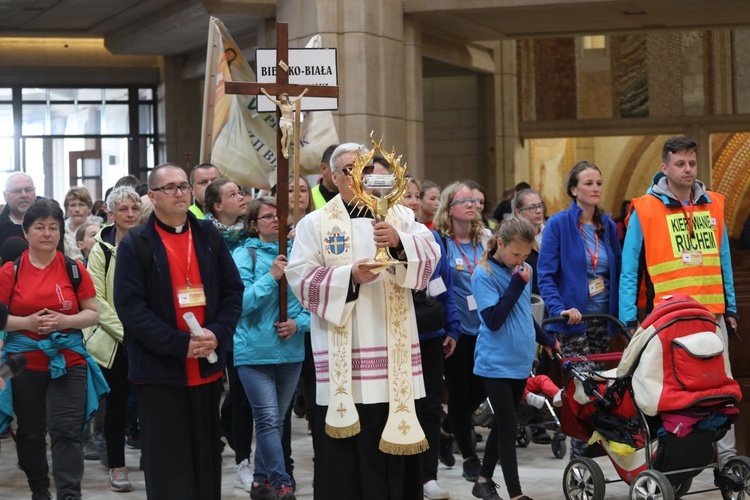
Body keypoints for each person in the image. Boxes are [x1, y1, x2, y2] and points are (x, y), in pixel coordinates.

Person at [286, 142, 440, 499]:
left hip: (397, 361)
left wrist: (401, 243)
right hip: (345, 365)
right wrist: (349, 277)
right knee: (347, 463)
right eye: (353, 169)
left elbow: (431, 261)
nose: (363, 176)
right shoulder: (315, 224)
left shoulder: (401, 217)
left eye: (369, 169)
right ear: (335, 177)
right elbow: (300, 279)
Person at [113, 163, 243, 499]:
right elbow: (131, 309)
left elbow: (232, 291)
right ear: (152, 196)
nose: (180, 193)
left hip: (207, 368)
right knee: (168, 464)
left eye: (184, 186)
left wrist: (218, 333)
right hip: (161, 372)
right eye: (170, 188)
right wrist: (179, 344)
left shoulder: (207, 234)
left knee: (206, 460)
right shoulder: (137, 243)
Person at [619, 136, 738, 466]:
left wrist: (731, 308)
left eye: (692, 163)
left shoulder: (713, 203)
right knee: (674, 391)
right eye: (680, 163)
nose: (688, 169)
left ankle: (727, 461)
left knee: (721, 389)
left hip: (711, 316)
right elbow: (629, 268)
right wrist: (629, 319)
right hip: (669, 318)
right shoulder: (645, 207)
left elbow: (722, 258)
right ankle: (673, 457)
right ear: (665, 167)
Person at [0, 198, 108, 500]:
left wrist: (64, 320)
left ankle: (70, 494)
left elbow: (92, 313)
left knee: (66, 431)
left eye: (53, 227)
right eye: (39, 227)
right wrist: (28, 322)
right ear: (26, 232)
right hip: (22, 364)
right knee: (31, 432)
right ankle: (39, 490)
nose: (47, 233)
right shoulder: (11, 271)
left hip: (68, 360)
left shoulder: (74, 269)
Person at [537, 160, 621, 460]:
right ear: (574, 190)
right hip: (573, 322)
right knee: (584, 390)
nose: (595, 188)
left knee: (601, 390)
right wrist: (560, 309)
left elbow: (617, 272)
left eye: (598, 183)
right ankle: (579, 458)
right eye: (588, 183)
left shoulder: (607, 227)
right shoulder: (559, 224)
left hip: (602, 320)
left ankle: (592, 448)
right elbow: (545, 274)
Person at [471, 217, 559, 500]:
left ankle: (482, 481)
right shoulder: (482, 274)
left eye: (525, 255)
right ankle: (516, 494)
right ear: (500, 243)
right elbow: (494, 320)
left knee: (503, 424)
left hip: (520, 360)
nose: (519, 260)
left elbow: (524, 314)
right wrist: (516, 285)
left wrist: (547, 340)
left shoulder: (524, 269)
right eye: (515, 254)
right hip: (494, 363)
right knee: (509, 426)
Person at [233, 196, 310, 500]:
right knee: (266, 419)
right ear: (253, 225)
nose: (275, 221)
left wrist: (297, 324)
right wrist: (271, 277)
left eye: (278, 216)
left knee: (277, 420)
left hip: (290, 350)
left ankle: (260, 481)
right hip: (254, 351)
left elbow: (310, 301)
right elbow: (240, 304)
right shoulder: (244, 256)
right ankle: (282, 482)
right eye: (266, 217)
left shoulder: (299, 255)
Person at [402, 176, 460, 500]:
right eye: (407, 196)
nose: (412, 201)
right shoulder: (387, 238)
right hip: (399, 337)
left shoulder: (432, 237)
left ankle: (428, 476)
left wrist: (452, 328)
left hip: (431, 335)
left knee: (429, 407)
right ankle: (404, 473)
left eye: (415, 196)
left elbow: (445, 287)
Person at [83, 186, 142, 492]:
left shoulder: (150, 241)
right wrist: (126, 332)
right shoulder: (101, 248)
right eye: (123, 210)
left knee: (151, 405)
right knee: (117, 407)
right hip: (116, 340)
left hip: (149, 338)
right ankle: (117, 466)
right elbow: (95, 297)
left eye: (134, 208)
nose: (130, 214)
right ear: (111, 213)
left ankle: (156, 460)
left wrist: (148, 331)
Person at [434, 181, 492, 481]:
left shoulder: (486, 239)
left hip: (487, 327)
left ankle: (446, 430)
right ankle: (470, 457)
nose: (471, 205)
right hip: (458, 328)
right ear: (449, 208)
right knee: (458, 392)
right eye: (463, 201)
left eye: (473, 200)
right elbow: (438, 287)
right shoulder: (441, 242)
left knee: (481, 388)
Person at [203, 178, 254, 492]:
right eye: (233, 194)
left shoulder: (250, 235)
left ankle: (243, 462)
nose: (241, 197)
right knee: (212, 394)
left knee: (241, 397)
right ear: (217, 205)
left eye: (241, 192)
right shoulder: (204, 235)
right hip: (212, 325)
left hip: (243, 328)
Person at [512, 188, 546, 296]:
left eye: (540, 205)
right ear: (519, 212)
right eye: (532, 207)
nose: (539, 211)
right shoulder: (514, 240)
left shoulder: (550, 233)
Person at [260, 88, 309, 159]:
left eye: (285, 97)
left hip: (289, 121)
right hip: (283, 120)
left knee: (289, 135)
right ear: (281, 99)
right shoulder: (280, 104)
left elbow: (298, 98)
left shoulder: (290, 103)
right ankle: (284, 149)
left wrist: (304, 92)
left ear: (287, 98)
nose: (284, 98)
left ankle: (286, 148)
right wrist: (265, 92)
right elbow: (271, 98)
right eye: (282, 97)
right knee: (285, 135)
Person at [203, 179, 247, 252]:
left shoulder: (250, 230)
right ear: (218, 207)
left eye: (239, 193)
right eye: (232, 195)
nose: (241, 197)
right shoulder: (204, 233)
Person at [63, 187, 103, 261]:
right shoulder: (60, 232)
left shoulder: (98, 231)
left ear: (89, 208)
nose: (77, 209)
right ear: (67, 209)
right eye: (72, 205)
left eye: (81, 205)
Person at [0, 173, 36, 249]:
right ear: (5, 196)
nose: (24, 195)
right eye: (17, 191)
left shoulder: (48, 223)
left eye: (28, 190)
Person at [310, 144, 339, 209]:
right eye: (338, 168)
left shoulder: (355, 197)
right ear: (324, 169)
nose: (348, 173)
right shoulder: (309, 198)